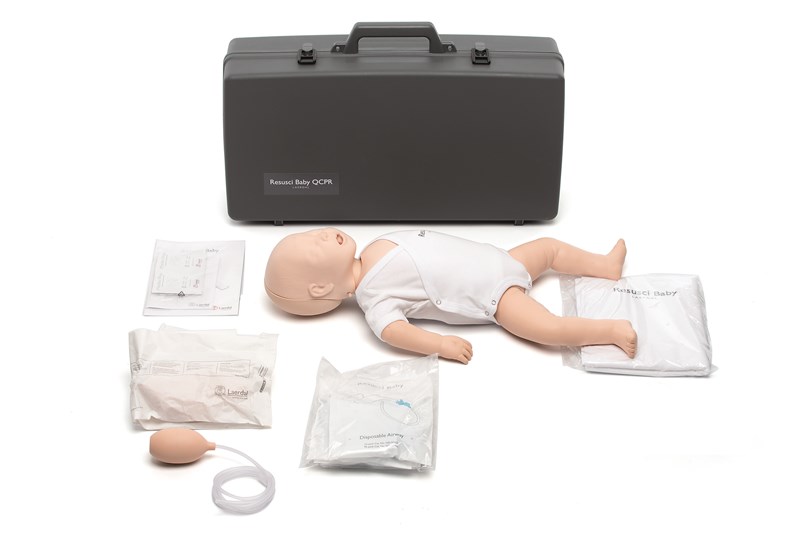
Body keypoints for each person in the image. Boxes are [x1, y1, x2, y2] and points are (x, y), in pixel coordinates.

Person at [265, 228, 637, 364]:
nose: (321, 234)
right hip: (495, 296)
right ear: (319, 289)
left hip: (503, 258)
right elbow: (394, 332)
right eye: (314, 246)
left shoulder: (374, 246)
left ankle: (603, 266)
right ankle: (610, 331)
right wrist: (439, 344)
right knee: (548, 329)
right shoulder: (374, 299)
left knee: (549, 247)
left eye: (311, 233)